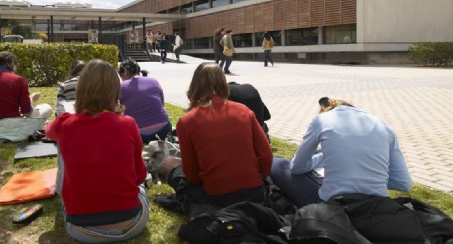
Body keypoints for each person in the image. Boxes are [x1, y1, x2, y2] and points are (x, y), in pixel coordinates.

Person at [45, 59, 149, 243]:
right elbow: (139, 176)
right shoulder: (128, 124)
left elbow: (48, 131)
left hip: (82, 230)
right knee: (140, 185)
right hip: (132, 223)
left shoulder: (64, 124)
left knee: (62, 145)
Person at [161, 63, 273, 207]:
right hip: (255, 193)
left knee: (169, 162)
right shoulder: (244, 111)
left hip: (216, 198)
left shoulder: (187, 121)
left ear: (194, 85)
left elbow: (192, 174)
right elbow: (266, 156)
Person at [270, 97, 412, 208]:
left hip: (333, 205)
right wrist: (368, 177)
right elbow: (403, 183)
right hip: (376, 204)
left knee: (277, 163)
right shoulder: (384, 126)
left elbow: (296, 167)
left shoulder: (321, 120)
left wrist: (323, 158)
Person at [0, 51, 51, 125]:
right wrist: (32, 99)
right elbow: (27, 113)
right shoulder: (19, 80)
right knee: (46, 107)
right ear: (13, 64)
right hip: (12, 128)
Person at [119, 58, 172, 143]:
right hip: (164, 128)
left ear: (125, 71)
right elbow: (161, 104)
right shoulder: (153, 81)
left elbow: (116, 111)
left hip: (139, 133)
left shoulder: (122, 86)